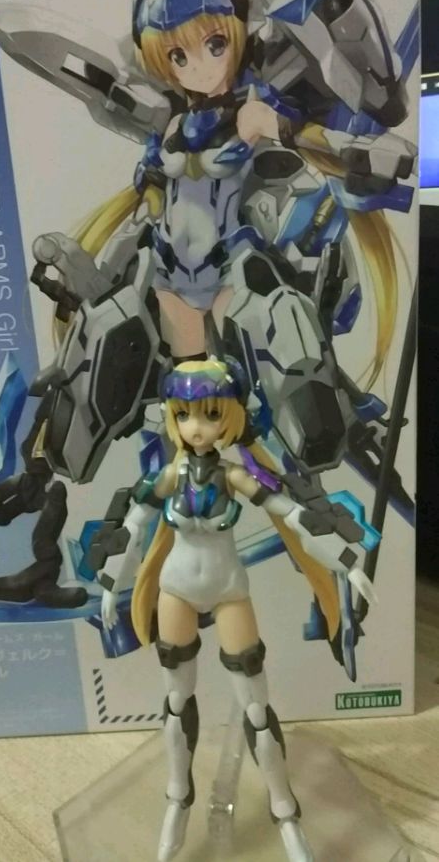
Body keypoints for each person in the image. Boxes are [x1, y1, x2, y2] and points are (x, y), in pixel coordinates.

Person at [100, 358, 377, 862]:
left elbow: (294, 514)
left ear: (229, 416)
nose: (196, 427)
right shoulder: (169, 475)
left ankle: (285, 812)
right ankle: (177, 800)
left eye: (209, 414)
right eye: (184, 415)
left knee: (255, 708)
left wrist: (347, 562)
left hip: (228, 589)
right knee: (176, 700)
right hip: (176, 590)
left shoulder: (236, 476)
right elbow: (132, 526)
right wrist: (109, 584)